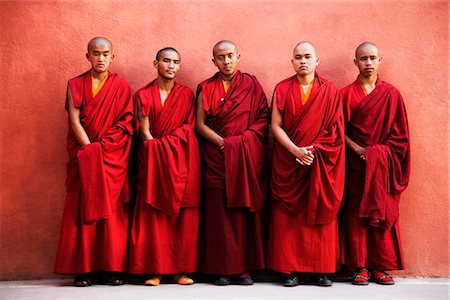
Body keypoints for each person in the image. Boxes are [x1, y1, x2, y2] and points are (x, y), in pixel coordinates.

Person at [54, 37, 133, 286]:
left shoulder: (121, 86)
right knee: (83, 209)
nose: (101, 58)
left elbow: (125, 123)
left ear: (113, 56)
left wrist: (104, 149)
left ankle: (111, 268)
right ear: (87, 55)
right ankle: (85, 270)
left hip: (112, 157)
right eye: (95, 53)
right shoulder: (75, 84)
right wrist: (90, 150)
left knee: (112, 213)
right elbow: (74, 121)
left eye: (105, 53)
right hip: (85, 153)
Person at [267, 41, 345, 287]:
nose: (303, 61)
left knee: (319, 212)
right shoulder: (282, 88)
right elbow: (275, 126)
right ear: (292, 62)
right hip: (289, 161)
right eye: (298, 57)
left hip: (319, 161)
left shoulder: (331, 91)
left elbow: (335, 130)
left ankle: (321, 269)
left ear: (317, 60)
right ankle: (289, 270)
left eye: (307, 56)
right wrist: (295, 151)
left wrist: (313, 151)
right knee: (289, 218)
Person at [196, 40, 269, 285]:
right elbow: (199, 124)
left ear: (239, 56)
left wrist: (241, 142)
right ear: (213, 61)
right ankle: (221, 268)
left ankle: (243, 269)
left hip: (246, 157)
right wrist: (223, 144)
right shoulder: (205, 87)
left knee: (241, 212)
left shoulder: (251, 85)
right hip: (216, 157)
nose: (226, 61)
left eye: (230, 56)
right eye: (220, 57)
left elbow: (262, 118)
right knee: (219, 214)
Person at [128, 47, 201, 286]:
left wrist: (165, 146)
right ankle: (154, 270)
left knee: (181, 217)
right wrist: (155, 149)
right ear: (156, 63)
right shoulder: (143, 94)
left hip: (181, 159)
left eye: (175, 62)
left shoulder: (187, 94)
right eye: (166, 61)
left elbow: (188, 127)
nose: (171, 65)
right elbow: (143, 129)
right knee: (153, 215)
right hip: (152, 160)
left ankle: (180, 270)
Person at [340, 42, 410, 285]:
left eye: (372, 58)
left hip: (382, 167)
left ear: (380, 60)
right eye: (363, 59)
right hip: (356, 165)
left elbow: (401, 137)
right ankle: (360, 266)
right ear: (355, 62)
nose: (368, 63)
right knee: (357, 214)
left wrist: (378, 154)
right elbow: (338, 131)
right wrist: (359, 150)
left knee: (382, 211)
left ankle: (380, 266)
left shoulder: (392, 95)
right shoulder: (346, 94)